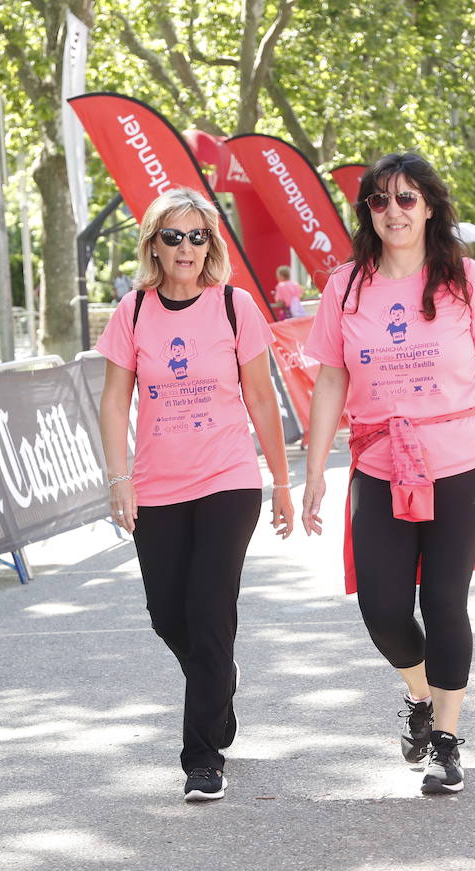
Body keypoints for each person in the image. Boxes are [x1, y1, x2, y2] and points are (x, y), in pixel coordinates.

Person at [300, 152, 475, 797]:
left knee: (444, 599)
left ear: (429, 205)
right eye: (379, 201)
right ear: (366, 211)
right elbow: (331, 379)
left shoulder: (467, 279)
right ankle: (421, 696)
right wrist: (314, 470)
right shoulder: (345, 287)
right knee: (383, 609)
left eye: (406, 199)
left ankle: (448, 743)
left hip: (464, 458)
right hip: (380, 462)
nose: (393, 212)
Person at [95, 187, 293, 803]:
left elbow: (262, 398)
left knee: (210, 613)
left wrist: (283, 484)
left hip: (227, 480)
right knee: (167, 616)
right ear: (154, 243)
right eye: (174, 236)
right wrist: (118, 477)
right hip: (157, 487)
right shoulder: (132, 311)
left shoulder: (235, 307)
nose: (186, 248)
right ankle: (218, 681)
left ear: (212, 244)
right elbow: (113, 399)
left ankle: (202, 756)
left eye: (197, 236)